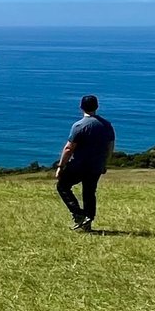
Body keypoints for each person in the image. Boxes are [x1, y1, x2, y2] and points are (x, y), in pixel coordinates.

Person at [56, 94, 115, 231]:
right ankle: (88, 221)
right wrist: (105, 163)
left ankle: (78, 213)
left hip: (79, 165)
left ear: (81, 107)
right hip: (96, 165)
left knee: (63, 186)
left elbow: (69, 148)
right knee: (89, 192)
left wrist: (61, 166)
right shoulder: (106, 125)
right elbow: (110, 147)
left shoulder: (79, 125)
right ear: (97, 107)